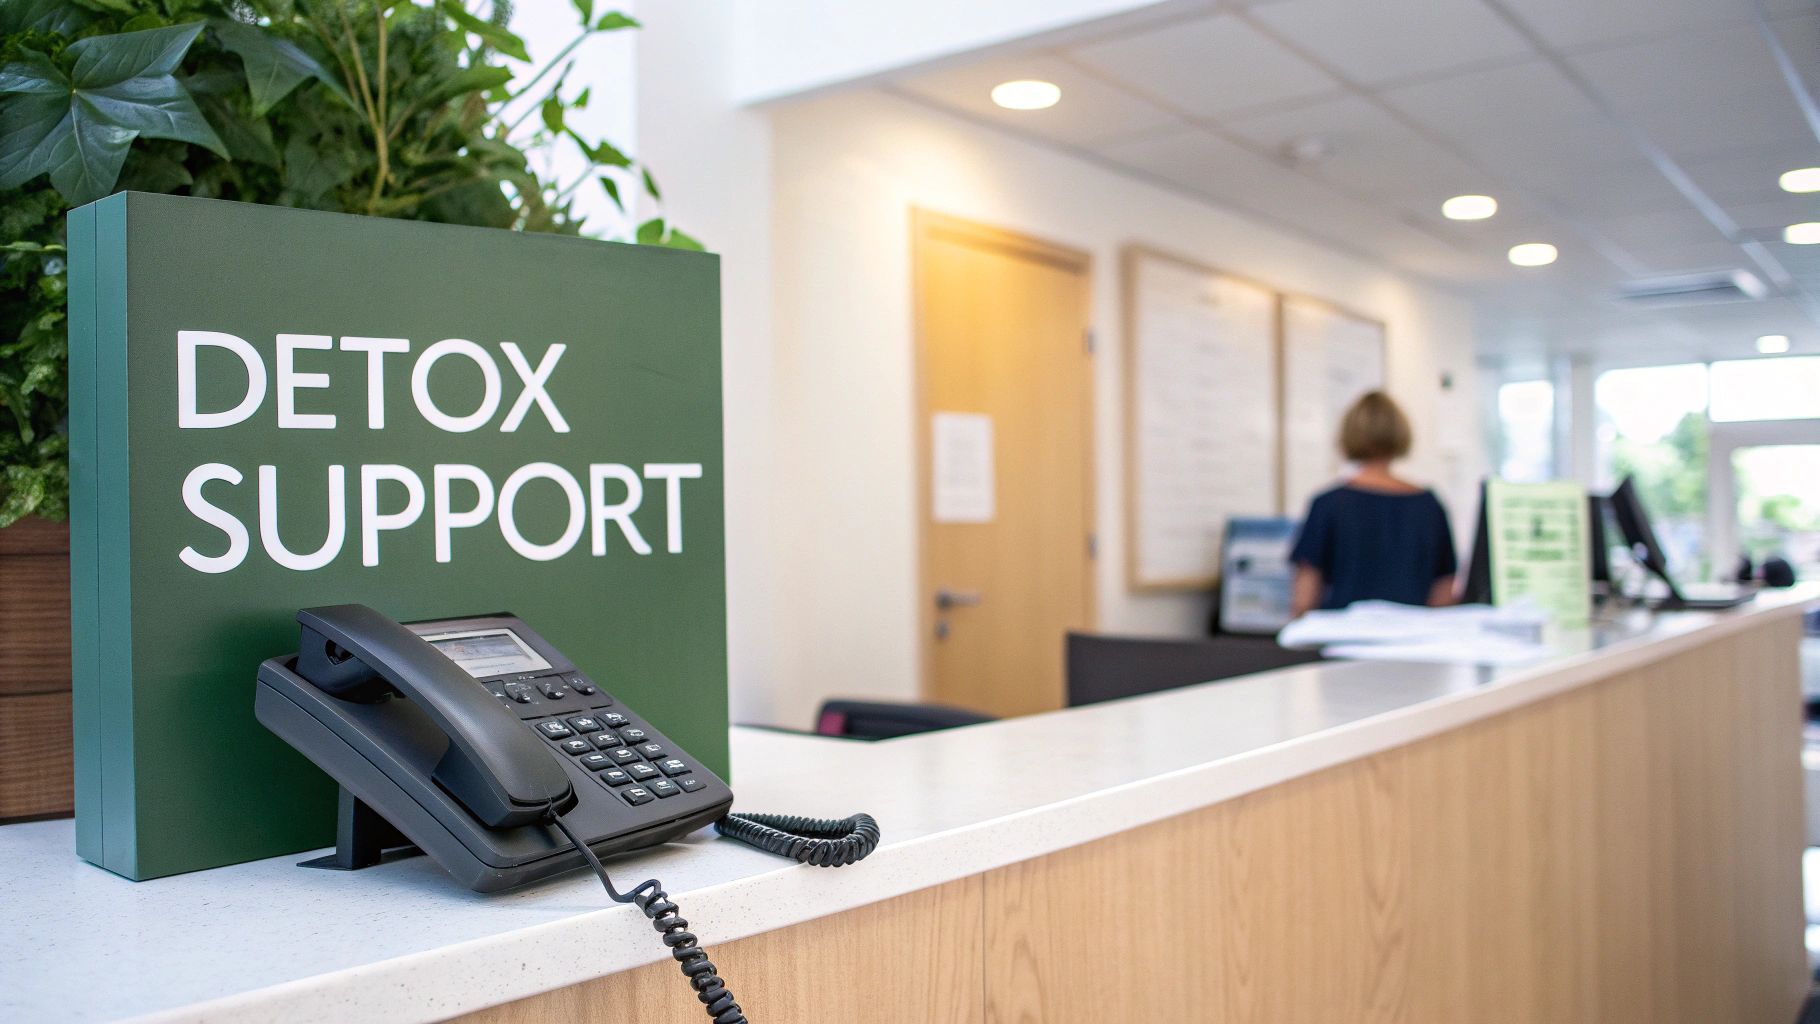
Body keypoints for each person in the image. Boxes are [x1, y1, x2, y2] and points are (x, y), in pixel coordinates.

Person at [1289, 391, 1457, 616]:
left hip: (1342, 638)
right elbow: (1444, 592)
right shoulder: (1428, 505)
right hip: (1411, 639)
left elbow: (1305, 596)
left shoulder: (1328, 504)